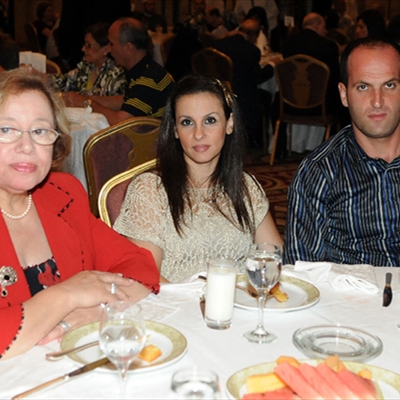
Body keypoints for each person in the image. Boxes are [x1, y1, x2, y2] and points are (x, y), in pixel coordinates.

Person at [0, 69, 159, 359]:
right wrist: (67, 294)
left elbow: (139, 266)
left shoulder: (62, 194)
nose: (27, 146)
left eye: (40, 131)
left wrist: (97, 309)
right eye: (7, 130)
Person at [114, 75, 282, 283]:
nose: (199, 134)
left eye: (210, 120)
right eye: (187, 122)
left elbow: (273, 261)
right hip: (174, 302)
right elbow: (147, 276)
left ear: (229, 124)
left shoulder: (245, 186)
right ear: (175, 130)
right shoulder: (150, 190)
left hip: (239, 300)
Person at [283, 37, 400, 267]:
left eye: (389, 85)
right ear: (344, 94)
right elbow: (302, 271)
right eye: (363, 87)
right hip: (357, 289)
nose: (377, 101)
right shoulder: (319, 172)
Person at [63, 17, 174, 126]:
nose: (109, 49)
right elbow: (125, 101)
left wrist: (86, 103)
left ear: (129, 48)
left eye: (111, 44)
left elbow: (120, 122)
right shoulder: (143, 69)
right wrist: (85, 98)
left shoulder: (149, 79)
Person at [214, 18, 278, 148]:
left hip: (218, 91)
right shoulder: (251, 50)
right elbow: (258, 77)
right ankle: (258, 138)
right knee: (267, 96)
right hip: (243, 96)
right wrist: (272, 65)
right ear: (255, 35)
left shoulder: (219, 45)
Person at [50, 22, 125, 96]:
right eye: (84, 44)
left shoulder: (115, 75)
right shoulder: (87, 66)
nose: (83, 49)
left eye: (89, 45)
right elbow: (65, 81)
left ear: (106, 49)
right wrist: (44, 78)